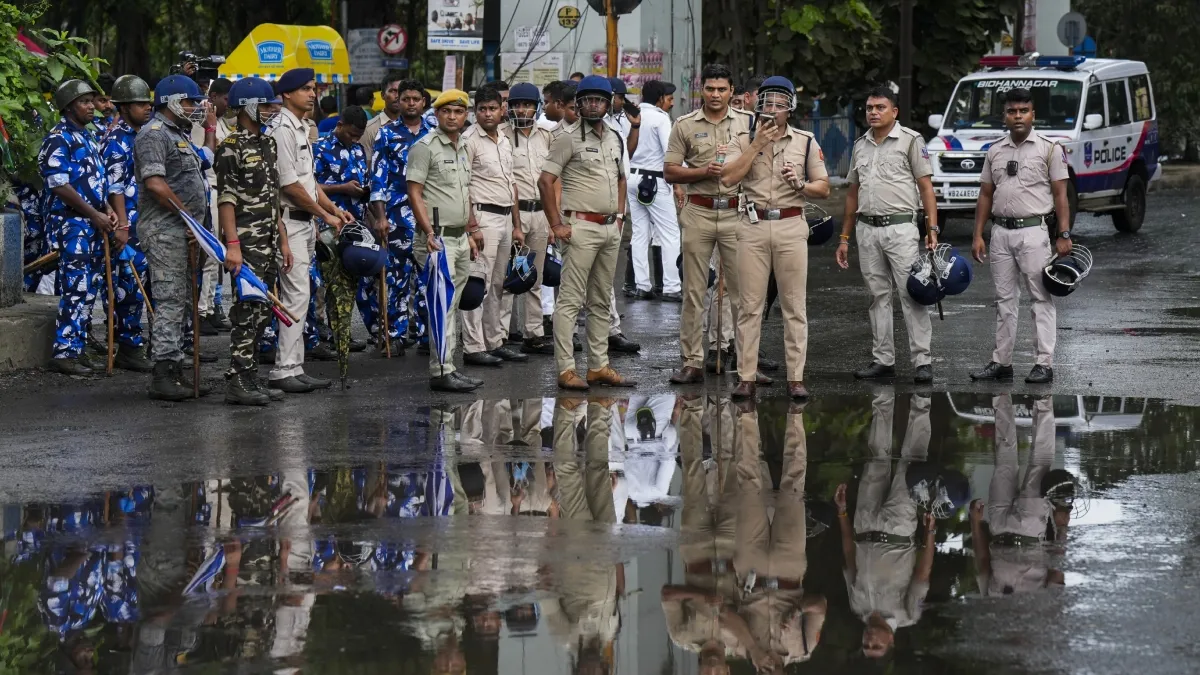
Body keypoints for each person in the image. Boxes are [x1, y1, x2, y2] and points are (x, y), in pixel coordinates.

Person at [720, 76, 829, 400]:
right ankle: (747, 376)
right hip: (752, 225)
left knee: (794, 306)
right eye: (767, 102)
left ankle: (796, 378)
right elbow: (727, 179)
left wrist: (800, 185)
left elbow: (823, 188)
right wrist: (756, 145)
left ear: (790, 109)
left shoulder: (805, 141)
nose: (772, 109)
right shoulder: (742, 139)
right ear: (757, 105)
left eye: (780, 104)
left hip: (791, 225)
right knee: (749, 306)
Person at [538, 75, 637, 391]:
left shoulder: (614, 136)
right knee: (569, 301)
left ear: (609, 104)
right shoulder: (566, 138)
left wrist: (620, 217)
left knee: (600, 302)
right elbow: (545, 181)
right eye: (587, 100)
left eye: (599, 100)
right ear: (578, 104)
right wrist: (557, 225)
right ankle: (566, 369)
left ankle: (598, 367)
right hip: (579, 227)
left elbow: (622, 179)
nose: (593, 104)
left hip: (610, 227)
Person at [970, 87, 1073, 384]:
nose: (1018, 116)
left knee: (1040, 298)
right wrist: (978, 234)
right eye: (1012, 111)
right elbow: (986, 195)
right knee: (1004, 300)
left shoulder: (1049, 149)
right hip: (1000, 232)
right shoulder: (995, 151)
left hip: (1034, 232)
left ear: (1033, 115)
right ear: (1005, 115)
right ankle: (1001, 362)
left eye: (1023, 111)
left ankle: (1044, 363)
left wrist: (1063, 234)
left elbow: (1061, 195)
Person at [836, 86, 938, 384]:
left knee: (912, 294)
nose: (873, 112)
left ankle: (922, 361)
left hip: (901, 228)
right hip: (866, 229)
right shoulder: (860, 146)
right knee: (876, 296)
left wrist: (932, 228)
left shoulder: (910, 141)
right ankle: (883, 360)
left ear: (894, 111)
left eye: (880, 107)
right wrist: (844, 237)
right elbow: (852, 194)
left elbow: (926, 189)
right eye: (869, 107)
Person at [664, 64, 751, 385]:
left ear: (732, 92)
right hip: (698, 211)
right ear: (702, 90)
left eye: (722, 89)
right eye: (710, 89)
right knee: (694, 291)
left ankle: (746, 364)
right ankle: (692, 362)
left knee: (742, 293)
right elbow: (670, 171)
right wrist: (703, 172)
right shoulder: (684, 125)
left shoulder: (748, 124)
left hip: (736, 212)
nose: (716, 95)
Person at [834, 391, 935, 660]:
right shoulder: (907, 615)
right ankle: (922, 400)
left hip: (864, 525)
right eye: (875, 646)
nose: (869, 641)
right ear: (890, 641)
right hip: (898, 530)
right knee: (909, 463)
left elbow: (848, 557)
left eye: (866, 646)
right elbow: (923, 574)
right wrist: (930, 531)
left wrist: (843, 514)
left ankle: (883, 396)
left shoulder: (857, 607)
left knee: (877, 457)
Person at [270, 67, 351, 393]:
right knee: (295, 294)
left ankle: (294, 365)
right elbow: (289, 185)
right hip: (287, 220)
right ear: (287, 94)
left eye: (314, 88)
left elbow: (309, 181)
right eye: (305, 88)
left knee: (300, 295)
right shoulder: (282, 128)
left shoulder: (302, 126)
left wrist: (332, 208)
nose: (312, 93)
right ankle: (283, 369)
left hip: (304, 221)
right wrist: (324, 215)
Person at [134, 74, 213, 398]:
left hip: (184, 231)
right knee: (168, 301)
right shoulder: (153, 135)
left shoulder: (178, 134)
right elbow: (154, 183)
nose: (194, 107)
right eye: (189, 101)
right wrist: (186, 215)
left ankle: (177, 369)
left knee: (182, 301)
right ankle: (163, 374)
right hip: (165, 230)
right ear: (170, 102)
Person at [214, 77, 290, 406]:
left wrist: (284, 241)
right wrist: (232, 245)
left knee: (263, 313)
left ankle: (250, 376)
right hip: (245, 242)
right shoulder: (231, 147)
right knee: (246, 311)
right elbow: (226, 200)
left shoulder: (268, 144)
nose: (273, 111)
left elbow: (274, 197)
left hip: (269, 240)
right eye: (267, 106)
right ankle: (237, 378)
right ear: (248, 107)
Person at [407, 89, 482, 393]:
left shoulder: (464, 146)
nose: (453, 117)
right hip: (436, 240)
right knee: (442, 307)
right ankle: (441, 371)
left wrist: (471, 232)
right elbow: (414, 192)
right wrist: (428, 233)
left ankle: (448, 366)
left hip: (459, 237)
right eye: (446, 112)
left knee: (453, 306)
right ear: (436, 115)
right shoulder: (424, 147)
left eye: (459, 112)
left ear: (466, 116)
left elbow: (464, 193)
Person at [40, 79, 117, 376]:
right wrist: (92, 214)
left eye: (92, 101)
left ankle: (79, 347)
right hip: (72, 223)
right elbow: (59, 185)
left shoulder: (88, 136)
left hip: (94, 221)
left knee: (90, 287)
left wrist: (107, 210)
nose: (91, 107)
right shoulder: (58, 138)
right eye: (85, 102)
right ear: (69, 106)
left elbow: (97, 182)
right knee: (75, 286)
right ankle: (64, 352)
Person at [971, 395, 1068, 596]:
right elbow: (1056, 573)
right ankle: (1043, 400)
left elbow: (982, 562)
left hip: (997, 528)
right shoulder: (1042, 614)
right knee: (1040, 463)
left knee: (1004, 456)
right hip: (1030, 530)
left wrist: (975, 523)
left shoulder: (992, 608)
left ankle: (1000, 394)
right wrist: (1062, 528)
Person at [364, 79, 434, 349]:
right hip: (395, 218)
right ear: (398, 101)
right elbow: (377, 179)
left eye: (416, 99)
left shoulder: (433, 132)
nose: (411, 103)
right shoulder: (386, 133)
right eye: (406, 99)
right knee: (396, 279)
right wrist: (380, 217)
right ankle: (394, 335)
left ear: (423, 102)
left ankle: (428, 335)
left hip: (428, 216)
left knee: (428, 277)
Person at [461, 82, 526, 367]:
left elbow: (511, 183)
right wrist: (472, 226)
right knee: (478, 284)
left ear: (502, 110)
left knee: (499, 284)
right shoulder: (468, 140)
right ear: (475, 112)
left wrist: (517, 225)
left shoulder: (504, 138)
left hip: (504, 217)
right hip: (481, 217)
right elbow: (461, 186)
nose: (487, 114)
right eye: (481, 109)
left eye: (492, 109)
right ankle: (473, 347)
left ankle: (495, 341)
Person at [100, 74, 155, 374]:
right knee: (128, 288)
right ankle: (129, 347)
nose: (147, 107)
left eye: (148, 102)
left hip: (146, 221)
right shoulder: (116, 140)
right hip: (127, 225)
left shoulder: (145, 133)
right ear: (123, 107)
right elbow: (114, 187)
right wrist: (121, 224)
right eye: (139, 103)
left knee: (146, 285)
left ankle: (148, 345)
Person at [311, 105, 371, 361]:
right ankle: (315, 336)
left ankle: (341, 334)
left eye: (359, 136)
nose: (356, 139)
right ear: (340, 125)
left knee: (346, 282)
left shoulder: (357, 149)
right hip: (326, 223)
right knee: (323, 284)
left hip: (352, 224)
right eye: (352, 134)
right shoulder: (320, 147)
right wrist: (342, 188)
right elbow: (310, 187)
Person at [503, 82, 555, 356]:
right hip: (515, 213)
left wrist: (554, 220)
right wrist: (514, 224)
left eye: (527, 104)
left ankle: (533, 334)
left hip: (541, 214)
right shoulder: (501, 135)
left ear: (537, 107)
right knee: (510, 276)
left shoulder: (547, 135)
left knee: (535, 276)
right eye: (517, 104)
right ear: (509, 107)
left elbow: (555, 177)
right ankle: (500, 337)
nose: (522, 109)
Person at [627, 79, 682, 303]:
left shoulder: (632, 115)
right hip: (654, 180)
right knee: (670, 234)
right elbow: (671, 152)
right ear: (660, 98)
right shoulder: (660, 118)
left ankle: (642, 285)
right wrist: (678, 182)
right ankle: (671, 286)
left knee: (640, 233)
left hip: (632, 176)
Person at [196, 77, 234, 335]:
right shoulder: (203, 120)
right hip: (208, 190)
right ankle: (201, 311)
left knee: (215, 257)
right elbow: (203, 156)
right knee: (208, 255)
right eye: (226, 98)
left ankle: (209, 307)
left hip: (220, 192)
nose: (229, 103)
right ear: (216, 96)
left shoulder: (219, 120)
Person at [360, 71, 409, 167]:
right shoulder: (369, 129)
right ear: (383, 95)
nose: (397, 96)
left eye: (401, 91)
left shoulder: (416, 126)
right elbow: (366, 167)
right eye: (392, 91)